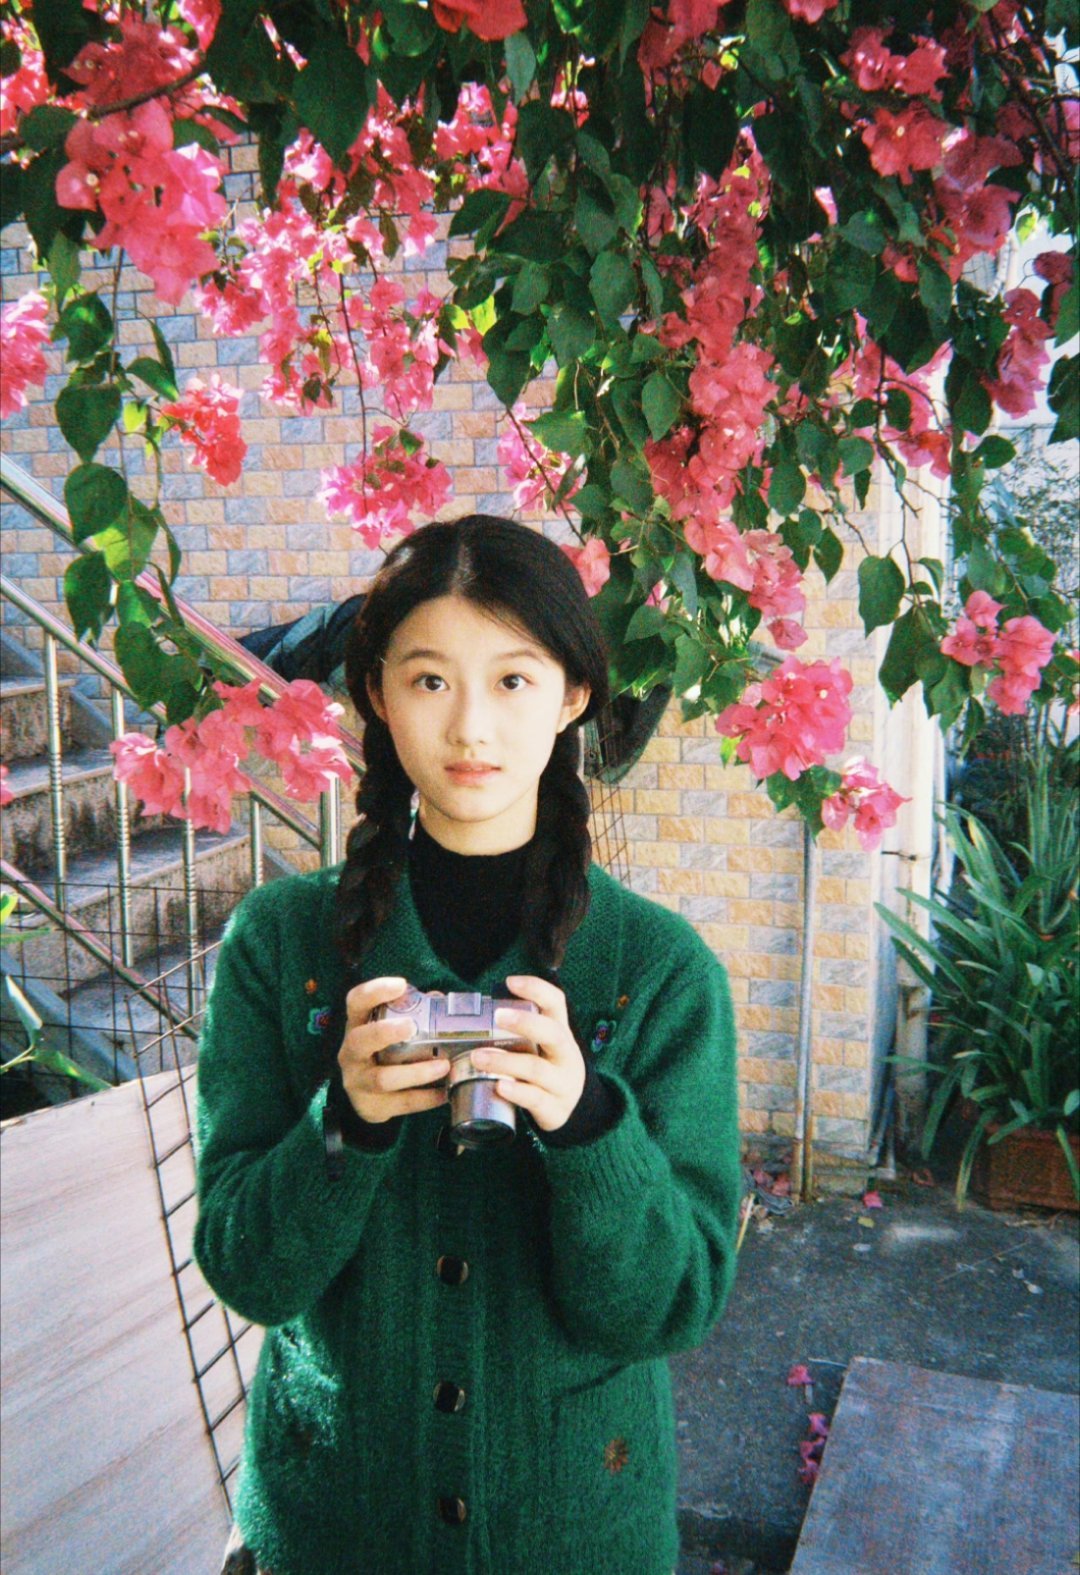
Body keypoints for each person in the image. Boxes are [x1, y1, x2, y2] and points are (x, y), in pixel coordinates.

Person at [193, 515, 741, 1575]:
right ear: (378, 694)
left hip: (577, 1535)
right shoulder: (282, 945)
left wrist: (588, 1125)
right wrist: (344, 1124)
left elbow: (672, 1303)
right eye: (431, 680)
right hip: (333, 1526)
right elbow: (248, 1270)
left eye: (514, 679)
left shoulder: (661, 972)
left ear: (573, 695)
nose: (471, 726)